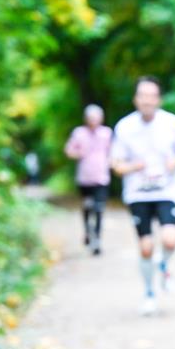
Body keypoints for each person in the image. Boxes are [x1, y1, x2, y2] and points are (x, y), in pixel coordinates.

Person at [111, 76, 175, 316]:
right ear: (136, 99)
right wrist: (133, 166)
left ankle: (164, 264)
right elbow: (116, 164)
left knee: (170, 239)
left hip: (167, 190)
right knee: (146, 248)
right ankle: (149, 293)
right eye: (142, 95)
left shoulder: (172, 123)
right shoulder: (124, 127)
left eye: (151, 95)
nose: (147, 100)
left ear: (158, 99)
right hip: (138, 194)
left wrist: (174, 161)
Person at [64, 104, 113, 255]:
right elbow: (69, 150)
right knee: (87, 206)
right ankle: (87, 230)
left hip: (101, 177)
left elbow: (113, 151)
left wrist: (110, 161)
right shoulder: (79, 133)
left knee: (99, 208)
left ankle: (96, 239)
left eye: (97, 118)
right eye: (91, 118)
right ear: (86, 119)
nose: (94, 121)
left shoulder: (107, 133)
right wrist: (79, 153)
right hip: (84, 178)